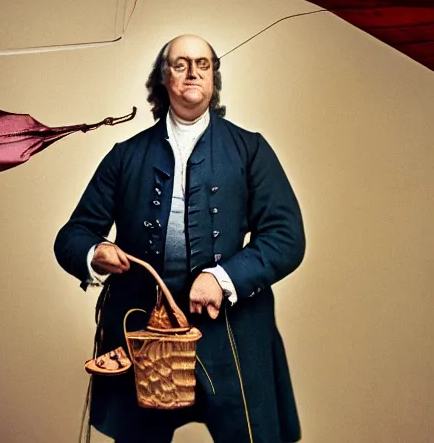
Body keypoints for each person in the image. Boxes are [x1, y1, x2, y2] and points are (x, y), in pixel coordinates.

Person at [54, 35, 306, 443]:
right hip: (144, 331)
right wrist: (94, 251)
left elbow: (286, 237)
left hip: (231, 331)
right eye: (181, 63)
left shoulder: (251, 150)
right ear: (163, 78)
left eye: (203, 64)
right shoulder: (125, 154)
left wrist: (224, 278)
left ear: (213, 78)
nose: (193, 72)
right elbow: (72, 236)